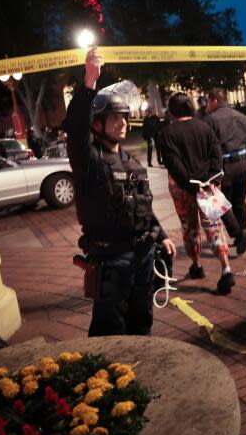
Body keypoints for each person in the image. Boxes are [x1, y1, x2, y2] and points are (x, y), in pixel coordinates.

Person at [66, 48, 176, 337]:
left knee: (142, 320)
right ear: (97, 123)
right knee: (109, 328)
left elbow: (140, 206)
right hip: (112, 258)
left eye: (125, 117)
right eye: (115, 118)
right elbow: (75, 131)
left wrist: (162, 236)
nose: (123, 122)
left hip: (143, 253)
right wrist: (89, 82)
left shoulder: (130, 163)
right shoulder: (89, 160)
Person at [157, 92, 236, 294]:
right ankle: (226, 267)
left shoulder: (167, 133)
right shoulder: (204, 127)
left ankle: (197, 265)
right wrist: (212, 178)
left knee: (190, 226)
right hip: (208, 185)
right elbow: (216, 154)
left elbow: (173, 164)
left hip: (183, 188)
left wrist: (191, 184)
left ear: (172, 111)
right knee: (214, 225)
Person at [203, 87, 246, 255]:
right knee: (240, 201)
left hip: (223, 168)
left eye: (207, 101)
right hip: (242, 166)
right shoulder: (241, 116)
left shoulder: (210, 120)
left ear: (214, 101)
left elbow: (207, 148)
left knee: (222, 206)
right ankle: (244, 230)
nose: (206, 105)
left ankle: (239, 234)